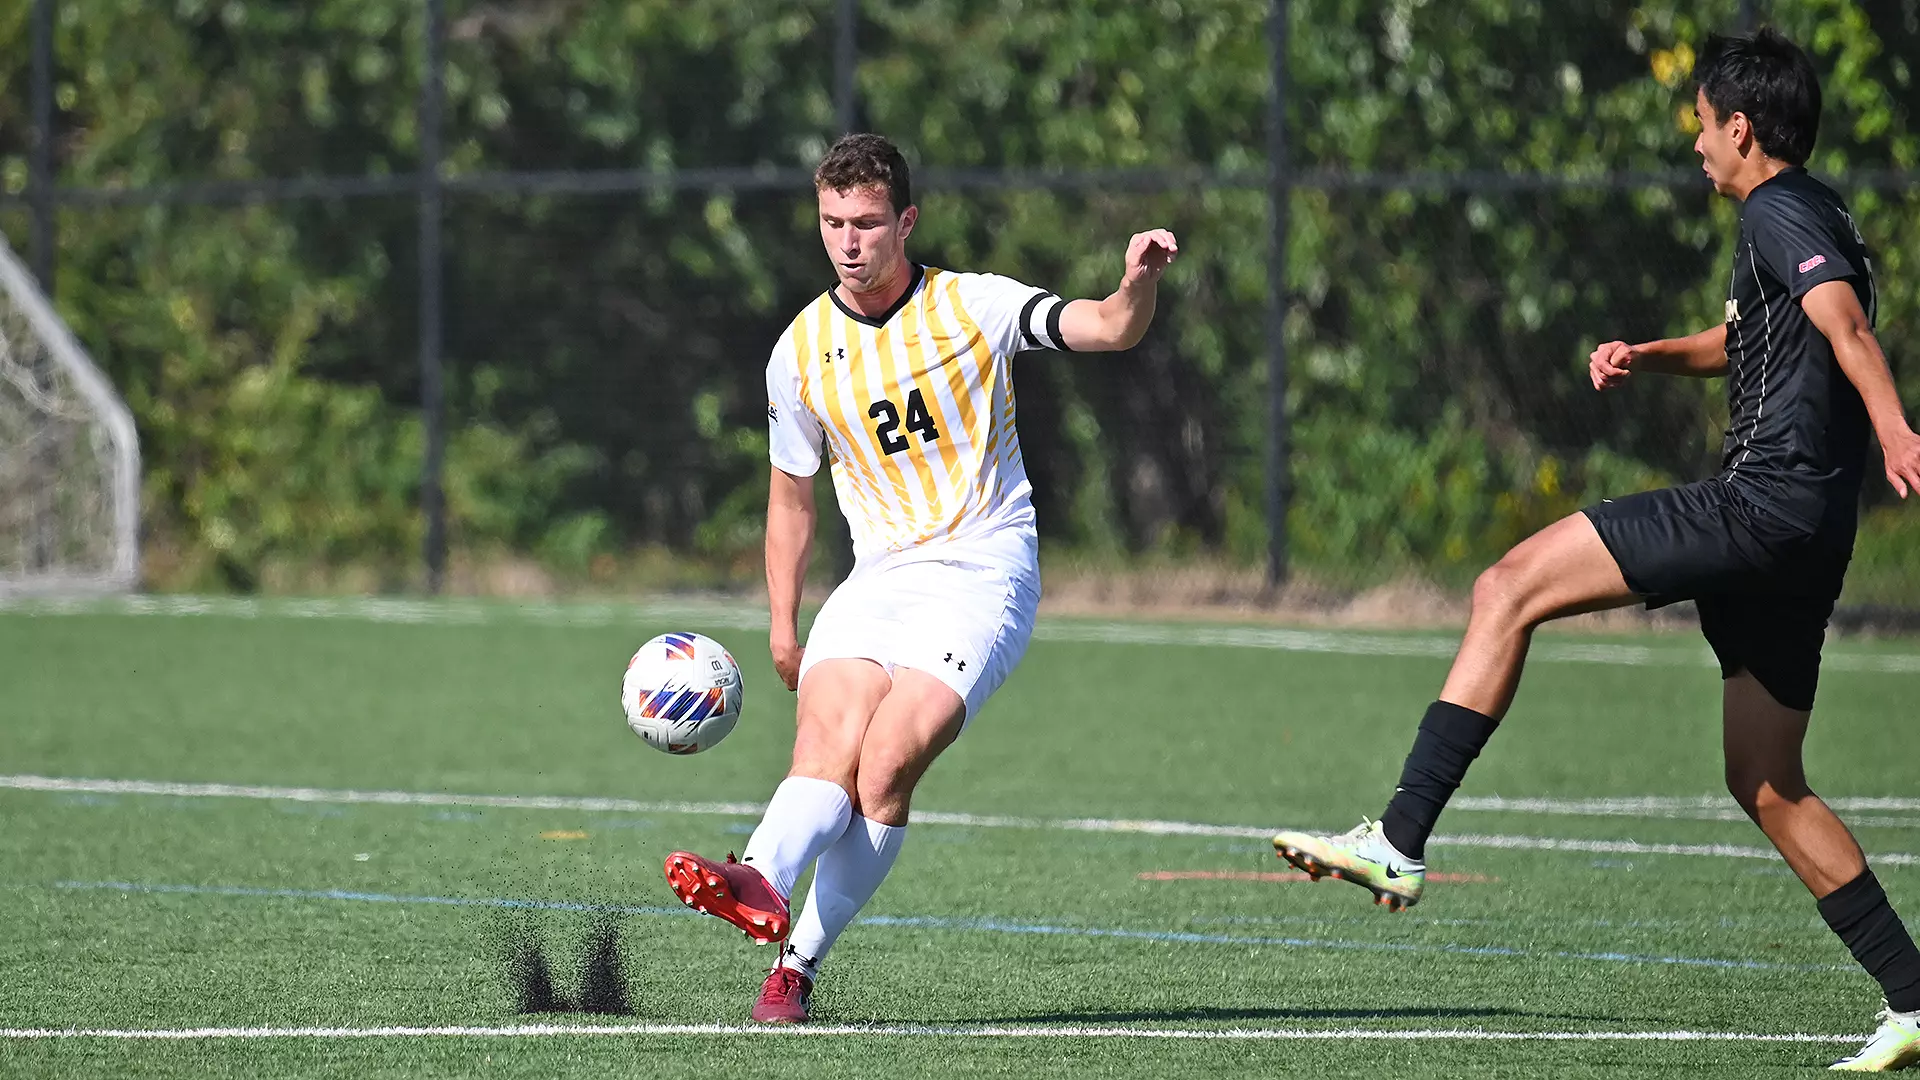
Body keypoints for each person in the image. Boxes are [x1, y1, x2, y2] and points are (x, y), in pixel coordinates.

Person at [1270, 28, 1920, 1072]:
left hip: (1760, 507)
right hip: (1811, 536)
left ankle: (1397, 839)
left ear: (1741, 129)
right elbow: (1762, 334)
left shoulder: (1779, 208)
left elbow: (1844, 329)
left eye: (1704, 125)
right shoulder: (1816, 212)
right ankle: (1917, 1000)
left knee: (1507, 585)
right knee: (1766, 780)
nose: (1698, 144)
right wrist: (1651, 354)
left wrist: (1894, 427)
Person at [663, 132, 1179, 1024]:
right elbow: (791, 501)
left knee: (888, 762)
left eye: (867, 222)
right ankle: (759, 875)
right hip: (878, 580)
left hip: (983, 573)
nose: (849, 242)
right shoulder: (800, 351)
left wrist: (1137, 281)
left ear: (906, 220)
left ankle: (796, 965)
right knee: (825, 747)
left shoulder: (973, 306)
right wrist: (783, 623)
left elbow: (1106, 326)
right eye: (832, 223)